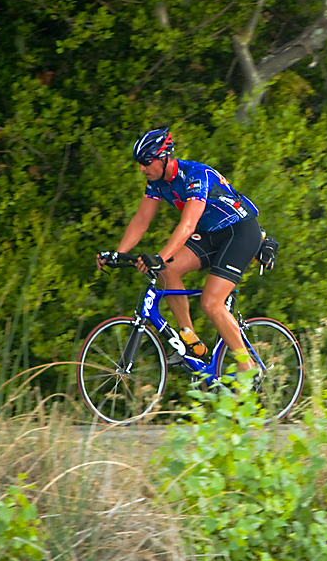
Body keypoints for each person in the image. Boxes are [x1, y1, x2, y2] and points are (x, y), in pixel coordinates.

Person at [97, 127, 270, 375]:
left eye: (147, 162)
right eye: (140, 163)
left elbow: (188, 225)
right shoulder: (156, 183)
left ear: (164, 157)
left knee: (211, 303)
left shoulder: (195, 175)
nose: (142, 169)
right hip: (211, 234)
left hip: (239, 231)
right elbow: (141, 220)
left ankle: (249, 369)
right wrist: (118, 253)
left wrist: (160, 256)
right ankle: (190, 341)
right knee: (167, 270)